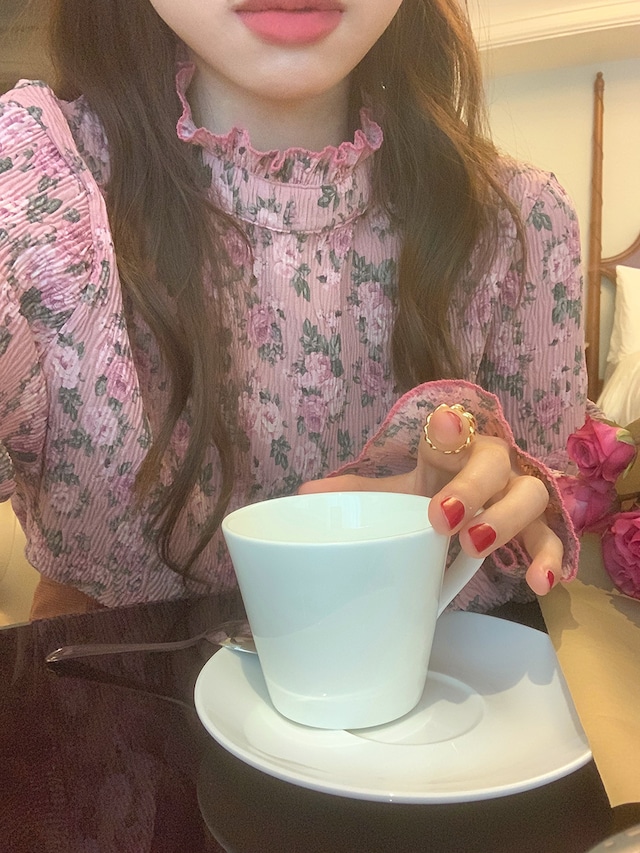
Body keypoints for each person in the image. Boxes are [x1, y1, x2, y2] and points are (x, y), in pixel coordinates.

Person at [0, 0, 586, 620]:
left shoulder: (521, 223)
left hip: (430, 669)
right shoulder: (31, 187)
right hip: (110, 674)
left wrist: (492, 517)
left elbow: (549, 536)